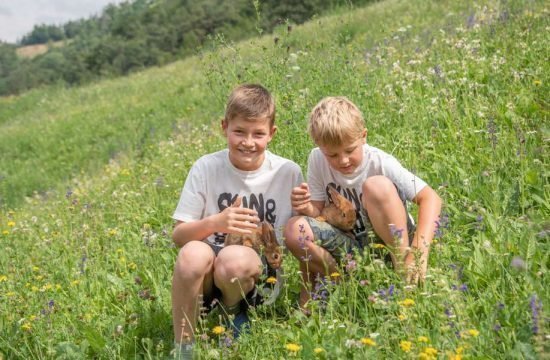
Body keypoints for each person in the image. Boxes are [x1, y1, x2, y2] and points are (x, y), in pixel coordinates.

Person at [171, 84, 303, 359]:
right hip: (208, 277)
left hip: (256, 276)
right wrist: (217, 222)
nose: (248, 142)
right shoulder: (206, 167)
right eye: (239, 131)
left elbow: (298, 234)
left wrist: (309, 208)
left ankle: (234, 314)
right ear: (224, 127)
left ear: (272, 134)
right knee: (191, 254)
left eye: (258, 134)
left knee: (235, 258)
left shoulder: (287, 172)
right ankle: (184, 347)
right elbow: (179, 235)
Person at [284, 96, 442, 310]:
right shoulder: (317, 159)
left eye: (350, 150)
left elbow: (430, 198)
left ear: (363, 136)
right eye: (332, 154)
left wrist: (419, 251)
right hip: (350, 246)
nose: (343, 161)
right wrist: (305, 208)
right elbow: (318, 211)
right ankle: (346, 282)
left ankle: (404, 270)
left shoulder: (379, 161)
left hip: (389, 240)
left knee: (376, 186)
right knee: (295, 229)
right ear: (319, 147)